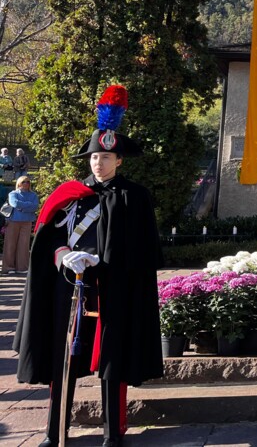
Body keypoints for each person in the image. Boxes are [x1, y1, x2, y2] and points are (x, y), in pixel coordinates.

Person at [14, 84, 163, 447]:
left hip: (116, 290)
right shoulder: (68, 195)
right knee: (63, 364)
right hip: (72, 291)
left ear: (119, 161)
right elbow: (46, 243)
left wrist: (111, 261)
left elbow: (146, 253)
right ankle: (55, 431)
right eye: (95, 157)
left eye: (106, 158)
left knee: (113, 363)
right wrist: (64, 256)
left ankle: (114, 434)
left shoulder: (135, 197)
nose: (99, 163)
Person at [2, 175, 39, 274]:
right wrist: (28, 205)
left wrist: (22, 206)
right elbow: (14, 204)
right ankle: (9, 268)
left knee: (24, 245)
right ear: (19, 183)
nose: (26, 183)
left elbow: (35, 206)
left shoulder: (33, 195)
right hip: (13, 221)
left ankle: (22, 268)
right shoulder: (13, 193)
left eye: (28, 182)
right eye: (24, 182)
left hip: (27, 222)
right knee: (10, 244)